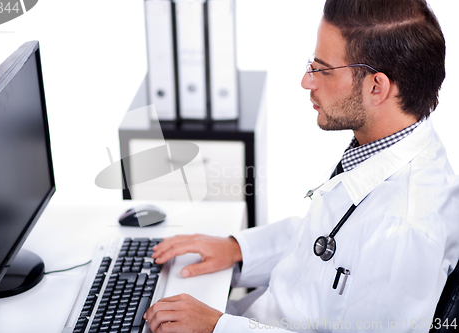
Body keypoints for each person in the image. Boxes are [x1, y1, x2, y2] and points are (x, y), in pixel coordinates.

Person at [144, 0, 459, 331]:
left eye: (322, 69)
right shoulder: (383, 144)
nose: (307, 82)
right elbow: (327, 243)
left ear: (376, 87)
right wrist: (238, 250)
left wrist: (217, 327)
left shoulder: (407, 229)